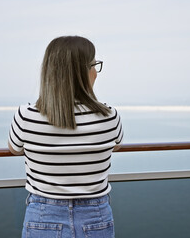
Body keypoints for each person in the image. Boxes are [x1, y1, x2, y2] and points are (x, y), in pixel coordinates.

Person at [8, 36, 124, 238]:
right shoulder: (109, 116)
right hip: (95, 216)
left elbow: (14, 148)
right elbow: (116, 145)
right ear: (82, 72)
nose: (96, 72)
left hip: (43, 216)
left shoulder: (26, 115)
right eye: (94, 65)